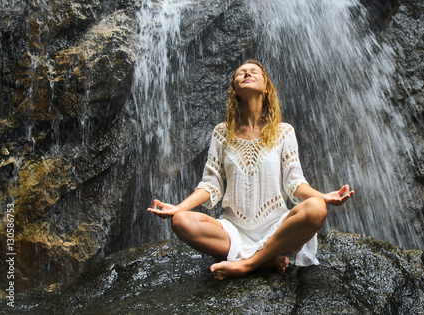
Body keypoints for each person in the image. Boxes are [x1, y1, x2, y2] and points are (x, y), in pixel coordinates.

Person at [148, 60, 354, 280]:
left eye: (253, 71)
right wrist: (178, 208)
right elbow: (211, 183)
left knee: (316, 208)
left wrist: (324, 197)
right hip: (233, 230)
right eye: (240, 73)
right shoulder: (221, 132)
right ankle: (267, 259)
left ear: (266, 86)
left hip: (278, 228)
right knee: (180, 221)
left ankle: (248, 264)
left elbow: (294, 183)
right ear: (234, 90)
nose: (247, 73)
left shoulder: (283, 132)